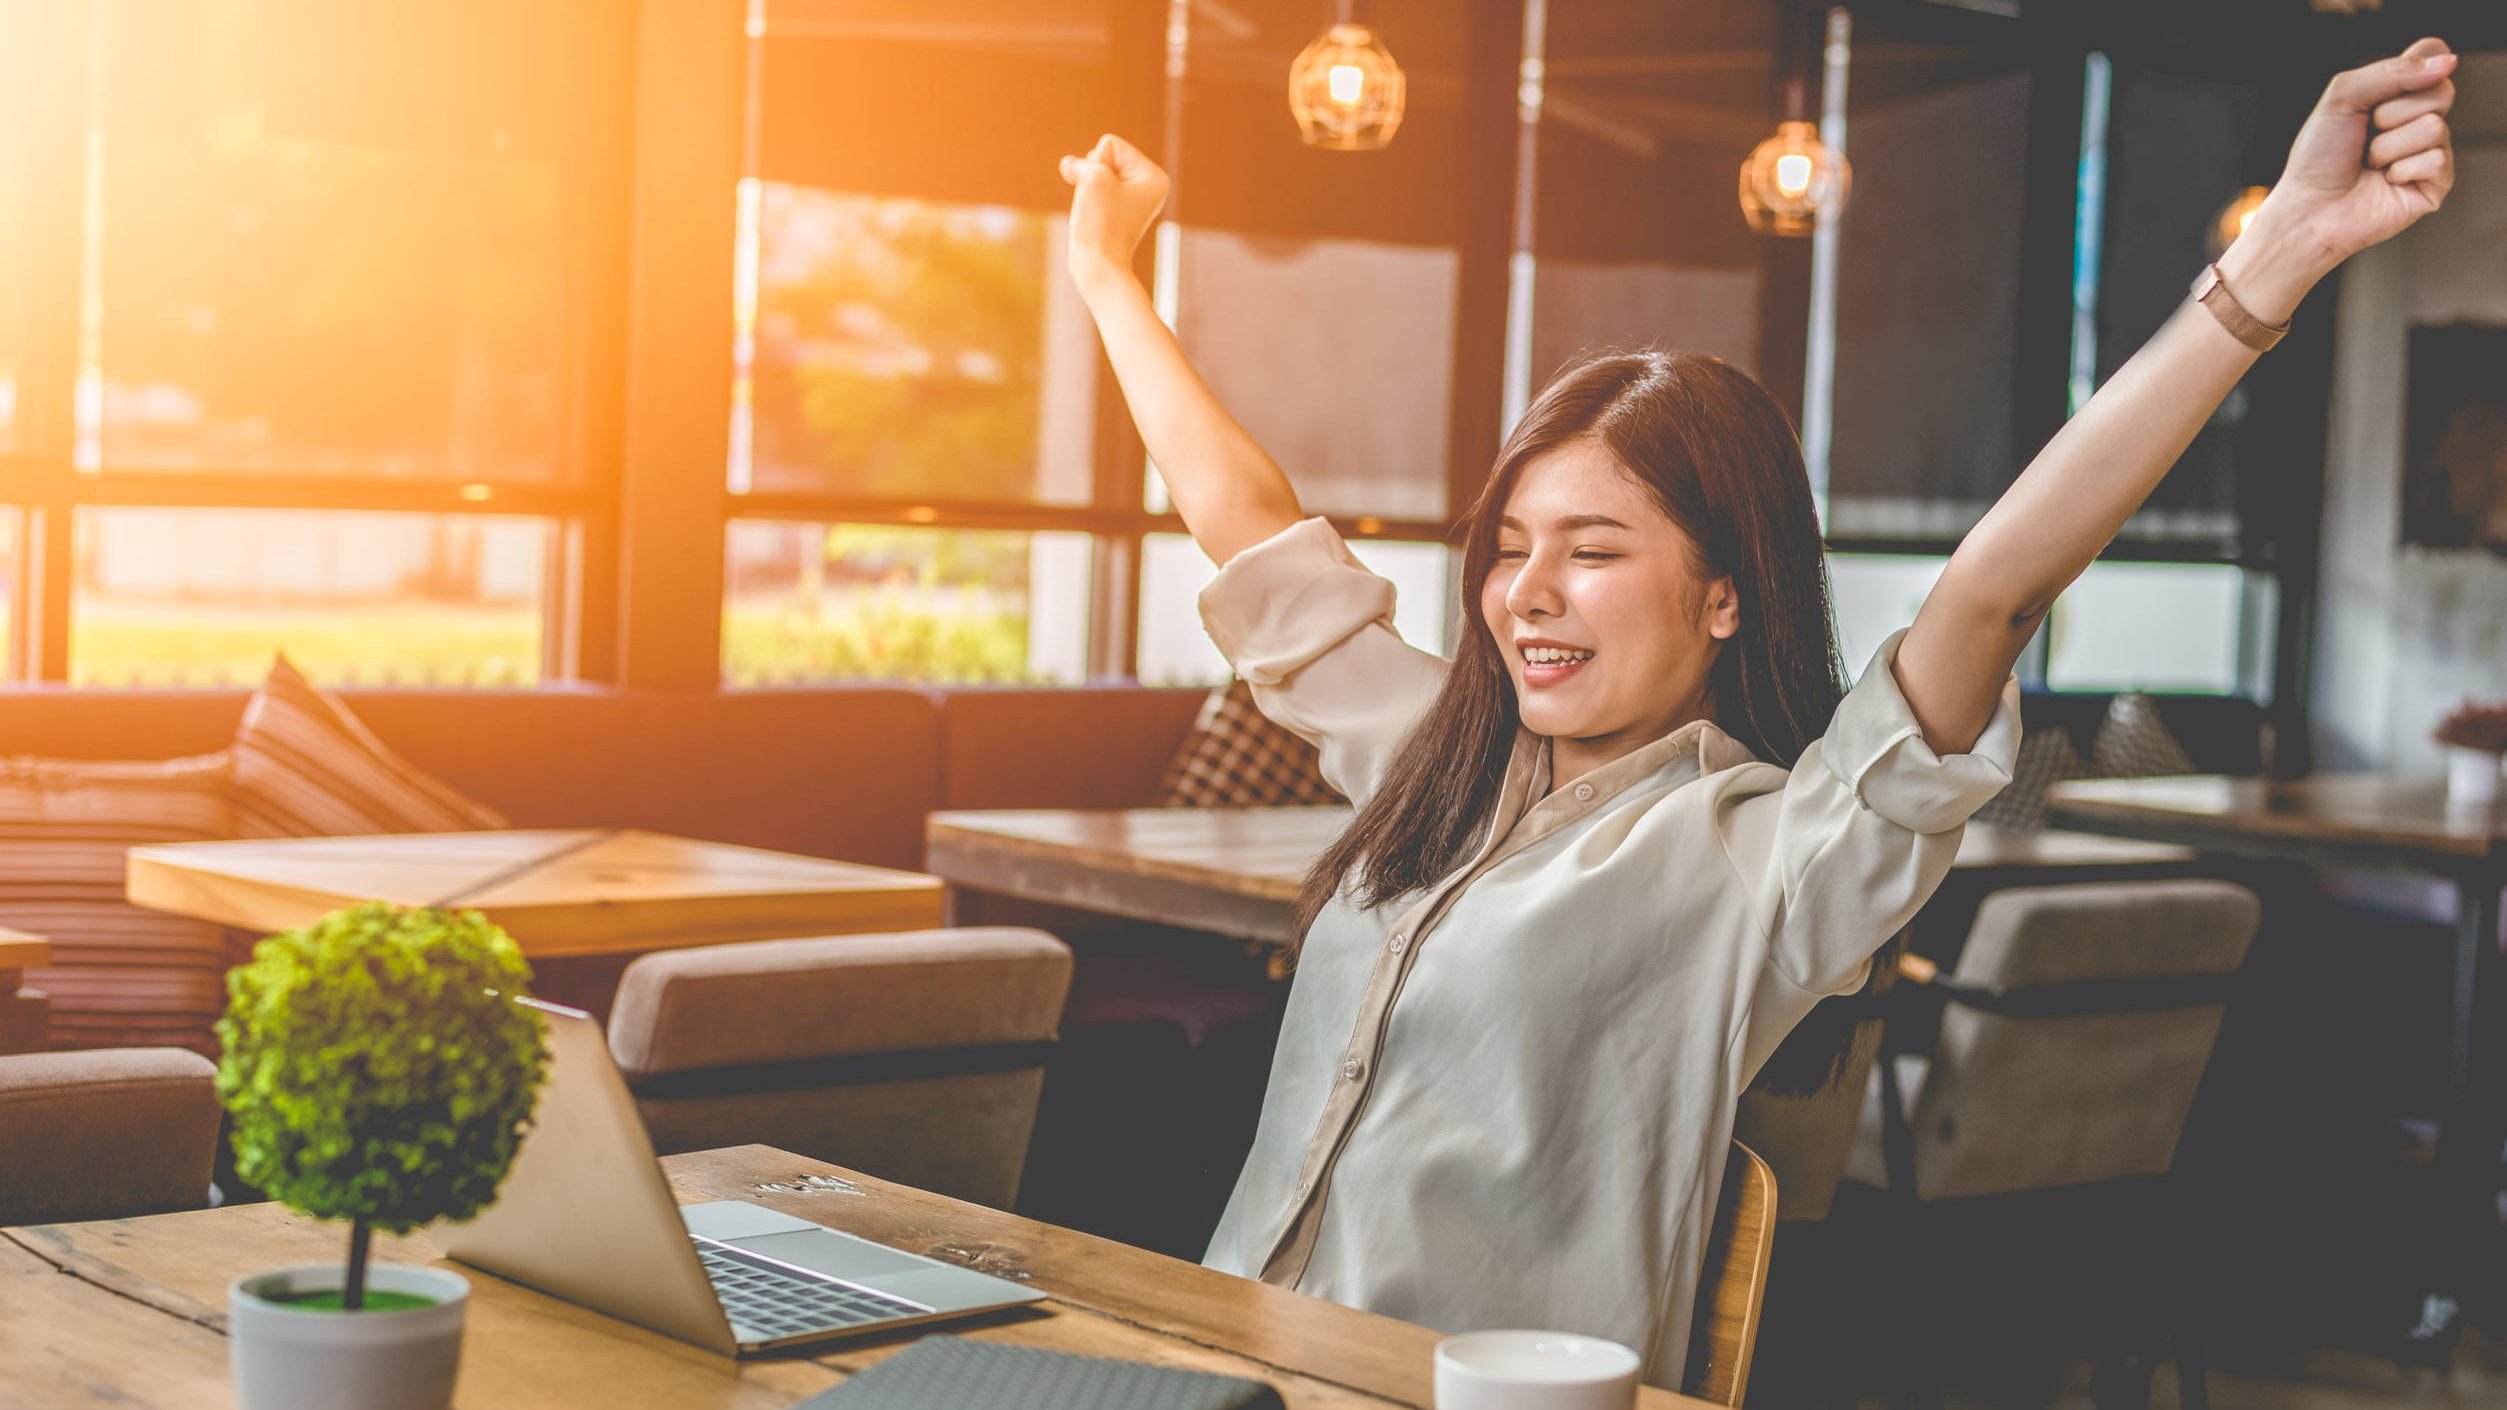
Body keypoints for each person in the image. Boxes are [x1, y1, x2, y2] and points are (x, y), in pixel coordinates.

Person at [1058, 38, 2459, 1388]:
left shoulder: (1767, 853)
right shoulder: (1440, 764)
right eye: (1509, 545)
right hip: (1225, 1362)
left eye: (1594, 552)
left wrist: (2271, 262)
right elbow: (1254, 537)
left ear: (1724, 595)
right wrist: (1108, 279)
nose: (1525, 594)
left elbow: (1992, 586)